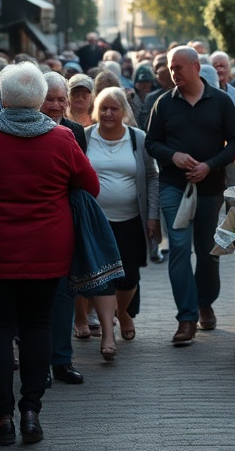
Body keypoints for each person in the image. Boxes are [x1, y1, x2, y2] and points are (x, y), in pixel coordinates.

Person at [0, 63, 99, 446]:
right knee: (37, 326)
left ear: (2, 97)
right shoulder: (62, 139)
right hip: (48, 248)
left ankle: (2, 418)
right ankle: (31, 413)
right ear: (40, 100)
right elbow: (90, 186)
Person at [145, 46, 235, 345]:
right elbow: (151, 143)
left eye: (178, 68)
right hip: (174, 186)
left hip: (210, 188)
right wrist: (173, 156)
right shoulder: (163, 103)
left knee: (207, 252)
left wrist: (210, 165)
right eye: (171, 69)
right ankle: (186, 318)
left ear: (196, 67)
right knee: (178, 248)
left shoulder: (221, 101)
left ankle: (205, 304)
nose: (173, 73)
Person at [85, 87, 160, 353]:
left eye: (114, 108)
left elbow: (151, 177)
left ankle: (123, 312)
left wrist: (152, 216)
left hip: (131, 220)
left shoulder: (138, 139)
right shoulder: (84, 138)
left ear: (124, 112)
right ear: (96, 110)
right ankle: (108, 333)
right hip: (96, 222)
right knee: (100, 278)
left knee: (128, 277)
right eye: (103, 108)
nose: (108, 113)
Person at [40, 72, 87, 387]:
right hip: (30, 226)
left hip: (63, 222)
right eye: (50, 99)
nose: (56, 106)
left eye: (61, 100)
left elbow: (83, 178)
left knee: (63, 294)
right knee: (35, 299)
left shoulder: (74, 131)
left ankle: (61, 360)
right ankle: (39, 362)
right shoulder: (19, 128)